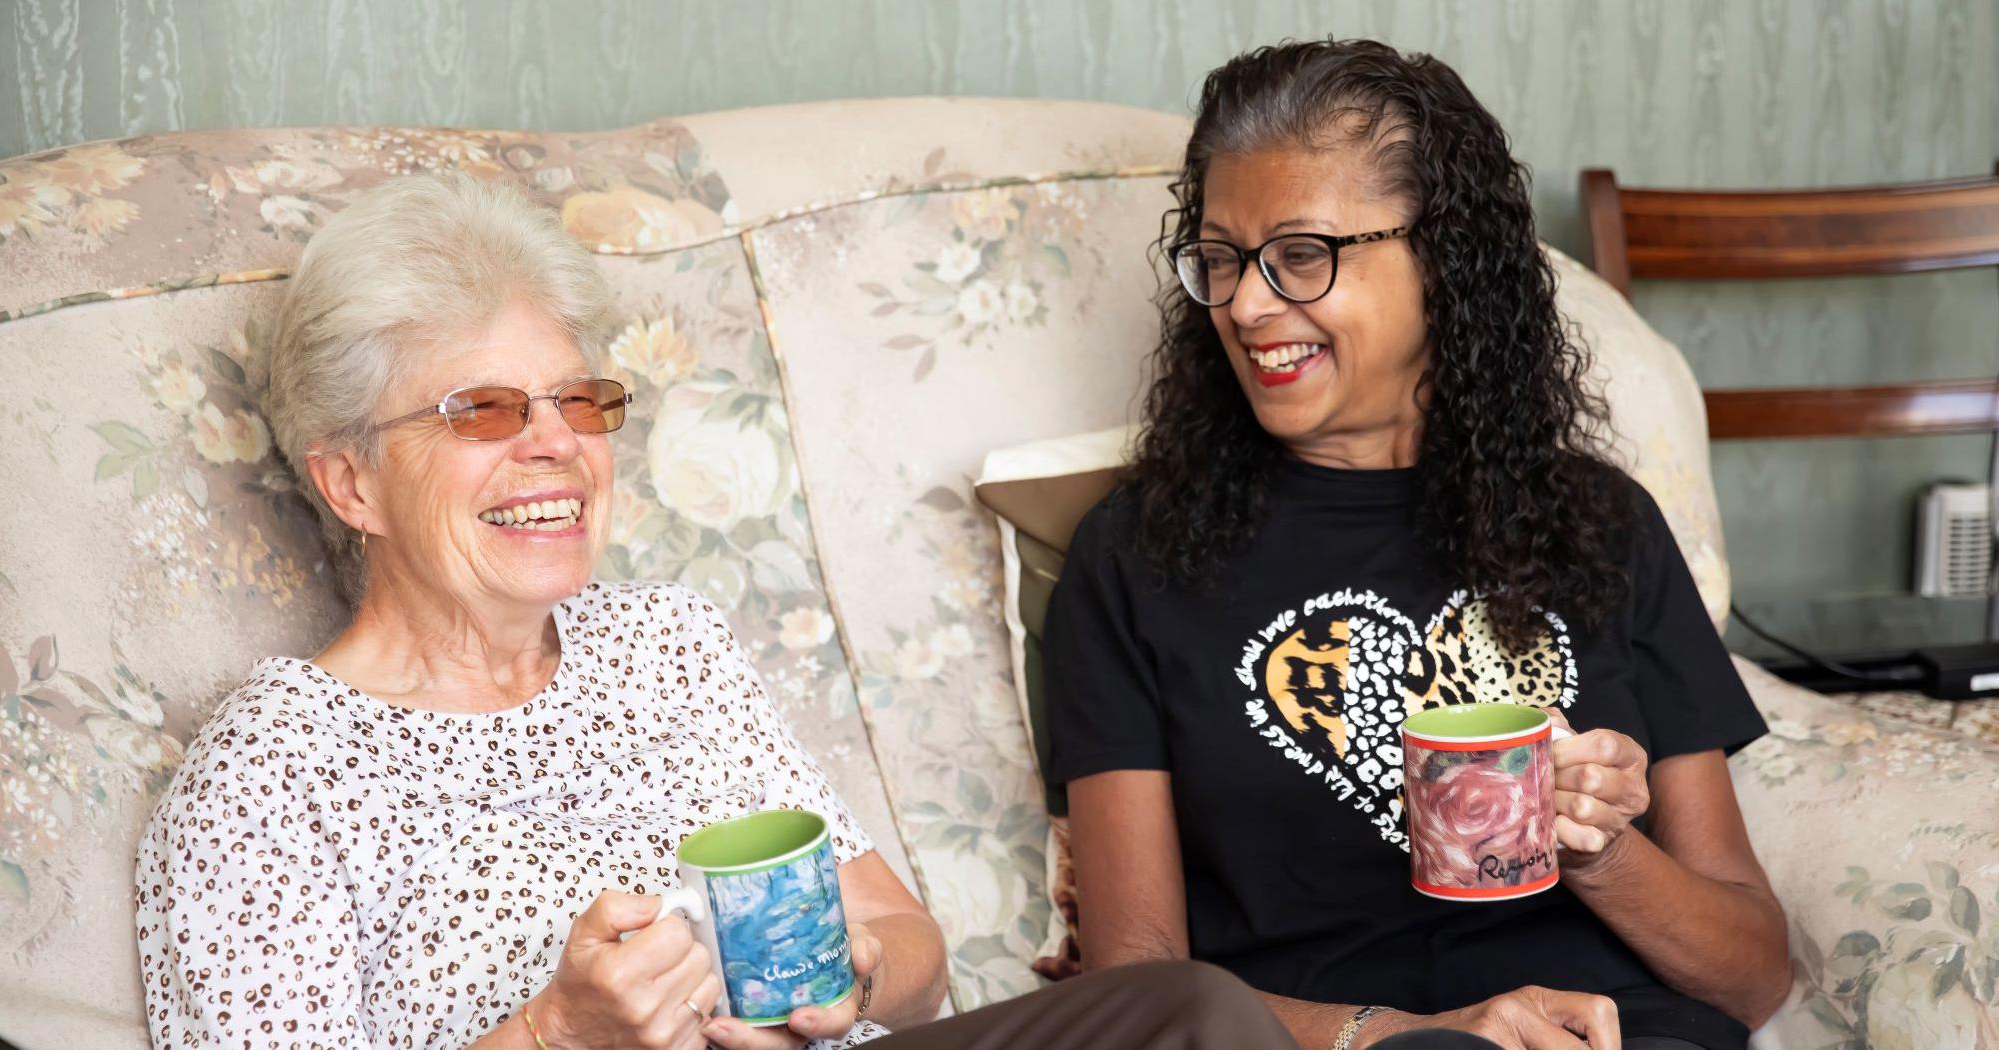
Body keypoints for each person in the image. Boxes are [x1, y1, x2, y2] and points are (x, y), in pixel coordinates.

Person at [132, 171, 1312, 1050]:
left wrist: (844, 978)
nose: (554, 448)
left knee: (1189, 1013)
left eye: (578, 402)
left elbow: (914, 954)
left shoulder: (663, 648)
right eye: (482, 410)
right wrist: (553, 1037)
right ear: (349, 481)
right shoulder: (271, 774)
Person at [1046, 38, 1791, 1050]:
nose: (1247, 305)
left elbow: (1750, 978)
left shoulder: (1599, 525)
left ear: (1440, 255)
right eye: (1219, 260)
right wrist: (1393, 1035)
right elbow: (1134, 989)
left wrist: (1594, 849)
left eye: (1301, 255)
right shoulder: (1135, 556)